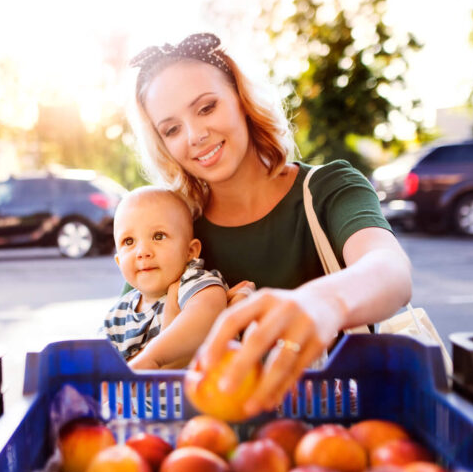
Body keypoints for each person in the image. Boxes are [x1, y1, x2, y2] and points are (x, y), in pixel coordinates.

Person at [126, 32, 412, 417]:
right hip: (211, 451)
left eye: (207, 108)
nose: (195, 136)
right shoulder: (173, 230)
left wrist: (322, 302)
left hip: (339, 439)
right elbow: (138, 348)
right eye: (172, 129)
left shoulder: (327, 189)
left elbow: (391, 272)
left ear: (241, 101)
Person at [103, 186, 228, 370]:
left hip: (193, 398)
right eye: (129, 241)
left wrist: (153, 356)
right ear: (119, 261)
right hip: (135, 400)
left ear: (190, 252)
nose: (143, 252)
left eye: (158, 236)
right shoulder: (116, 316)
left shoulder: (192, 283)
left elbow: (208, 314)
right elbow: (100, 369)